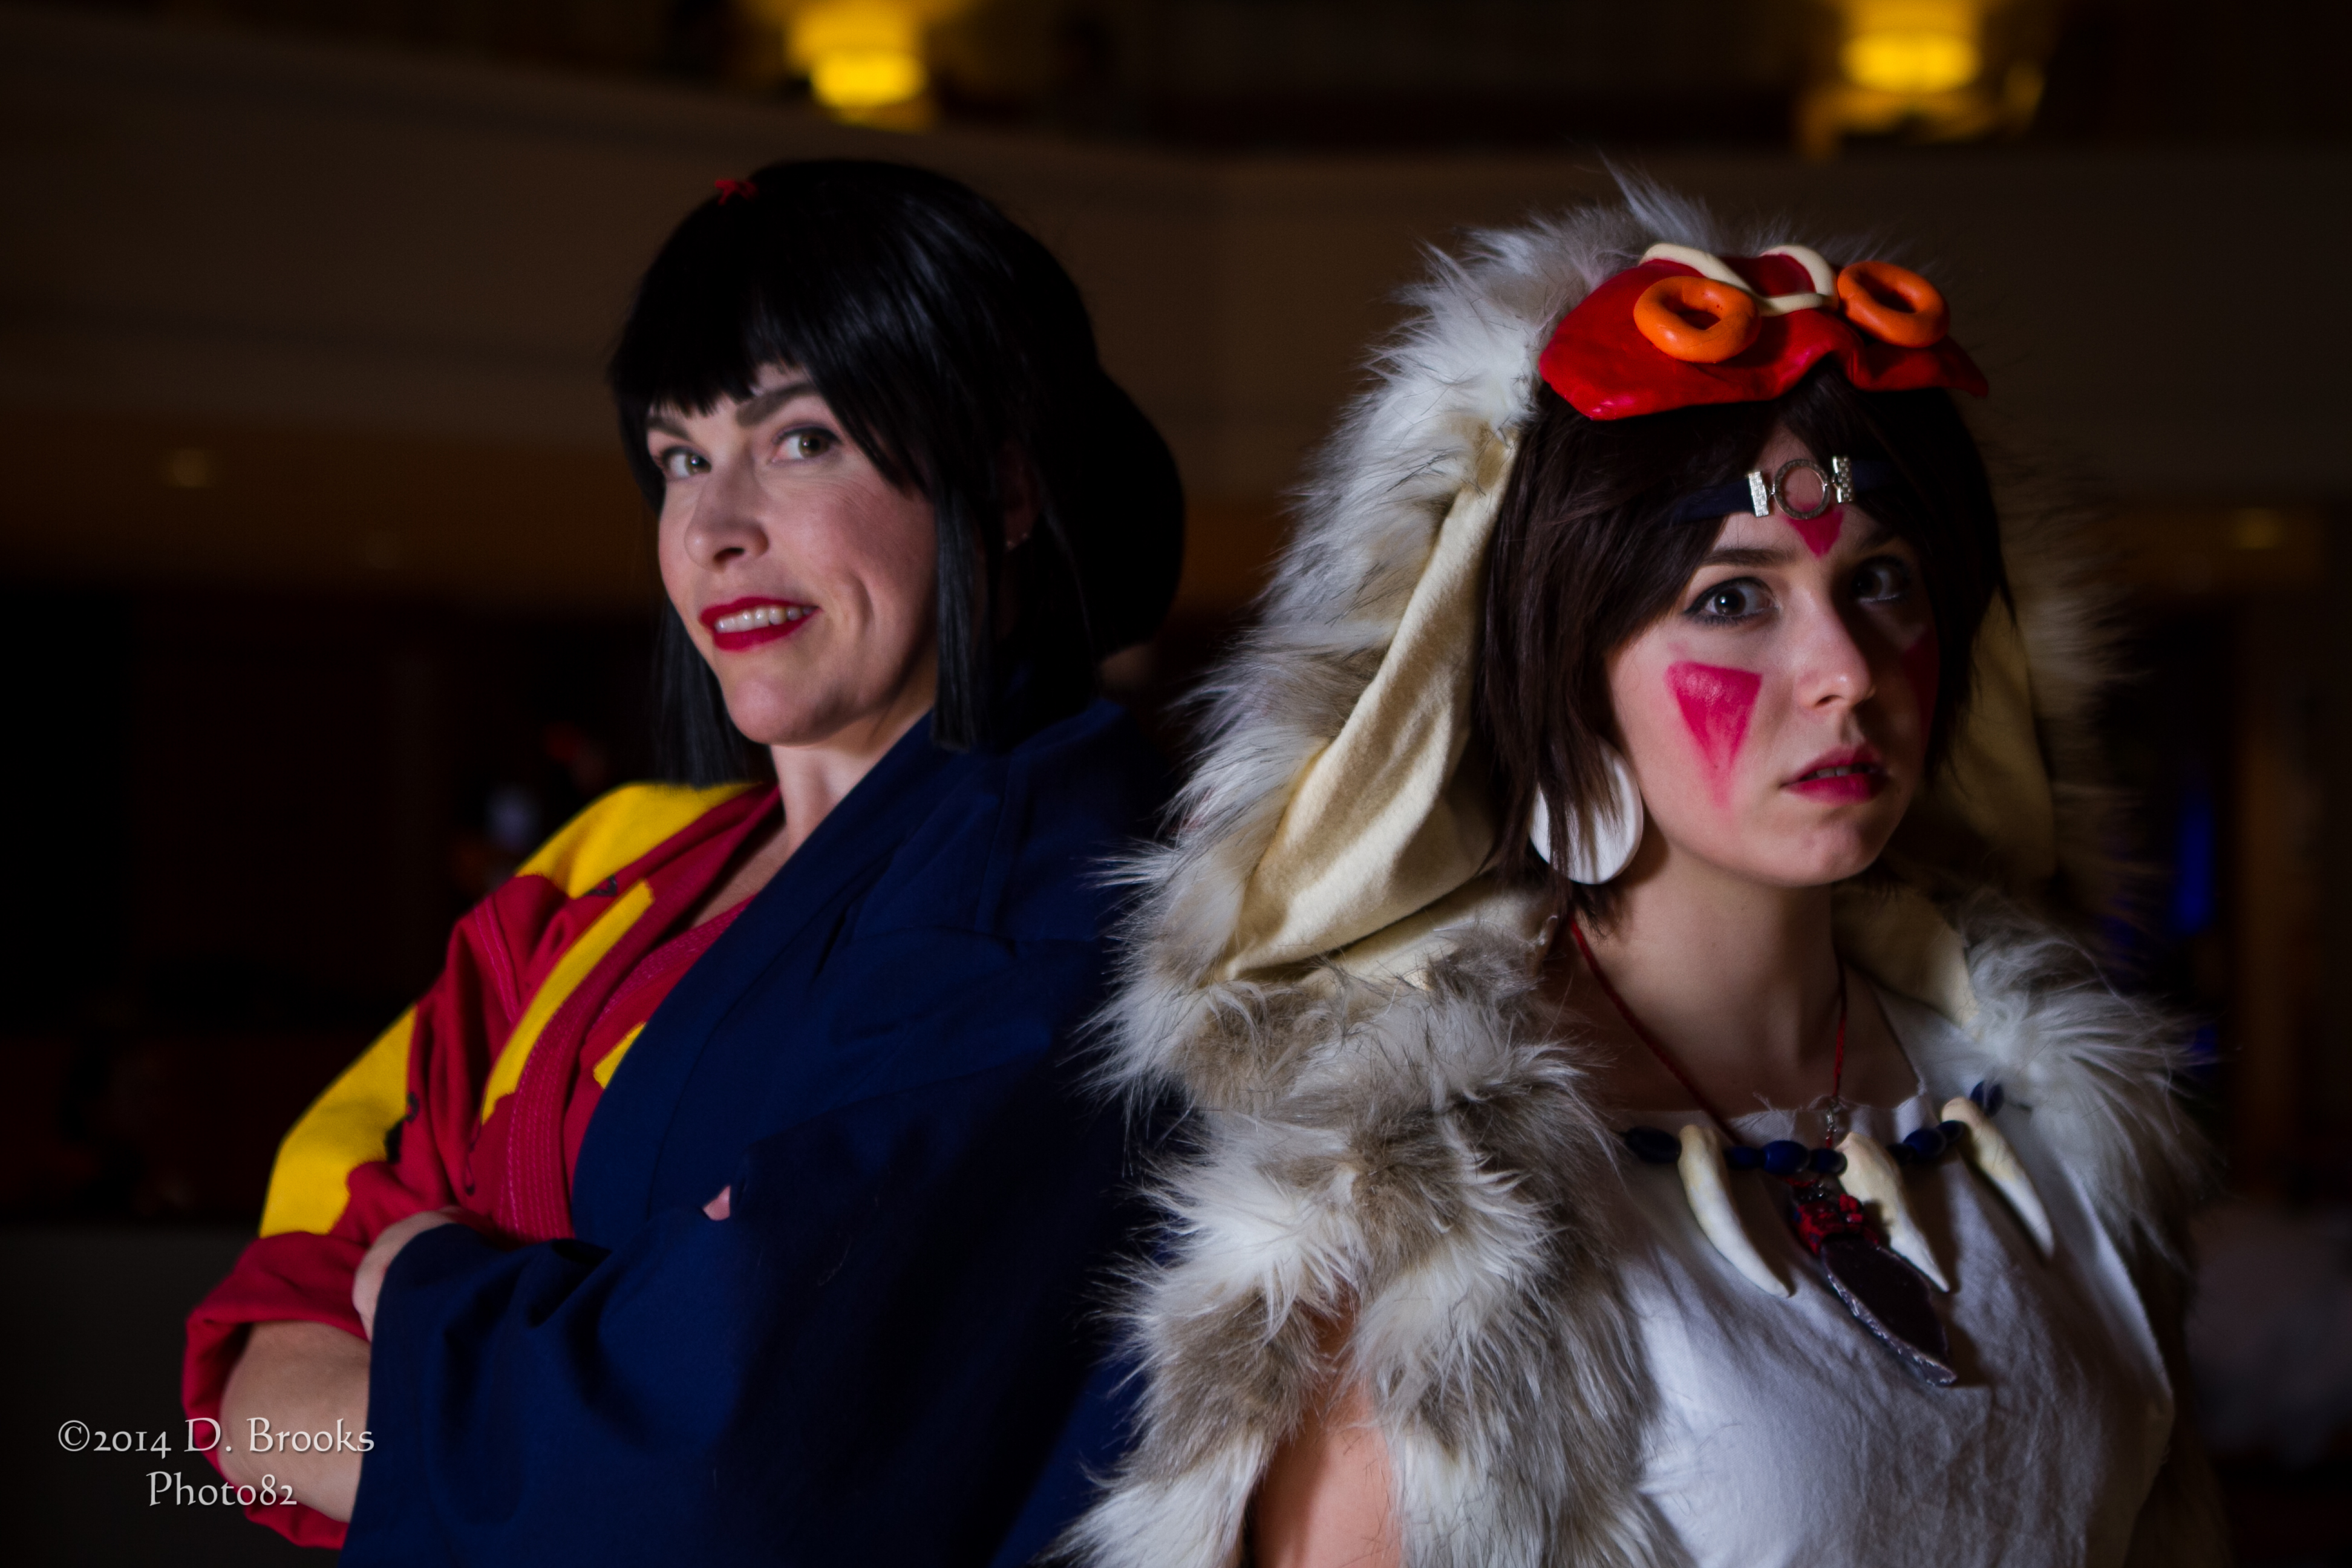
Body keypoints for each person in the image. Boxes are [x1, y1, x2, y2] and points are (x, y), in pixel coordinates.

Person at [1066, 186, 2224, 1567]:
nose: (1846, 673)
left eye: (1884, 581)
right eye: (1732, 599)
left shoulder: (2051, 1116)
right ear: (1569, 683)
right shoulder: (1440, 1216)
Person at [183, 158, 1183, 1565]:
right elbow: (253, 1391)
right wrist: (569, 1351)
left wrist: (425, 1279)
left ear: (1006, 483)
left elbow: (713, 1472)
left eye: (803, 439)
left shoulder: (1054, 897)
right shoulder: (607, 875)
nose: (714, 531)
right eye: (680, 459)